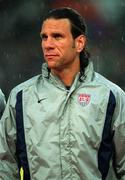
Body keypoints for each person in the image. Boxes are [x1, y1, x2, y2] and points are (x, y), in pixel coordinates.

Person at [0, 7, 125, 180]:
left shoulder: (112, 96)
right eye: (44, 37)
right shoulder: (20, 97)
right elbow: (5, 165)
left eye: (57, 36)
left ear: (79, 43)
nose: (47, 44)